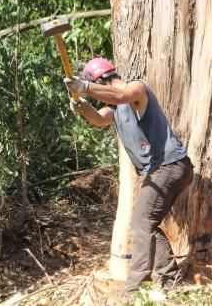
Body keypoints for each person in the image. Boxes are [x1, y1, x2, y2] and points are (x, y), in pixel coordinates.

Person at [64, 58, 194, 293]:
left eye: (94, 87)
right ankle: (170, 279)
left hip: (170, 164)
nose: (96, 94)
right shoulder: (115, 108)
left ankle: (135, 287)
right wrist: (84, 108)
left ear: (100, 80)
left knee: (141, 222)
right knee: (147, 224)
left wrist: (84, 88)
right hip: (162, 169)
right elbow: (99, 119)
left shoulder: (136, 88)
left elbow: (119, 95)